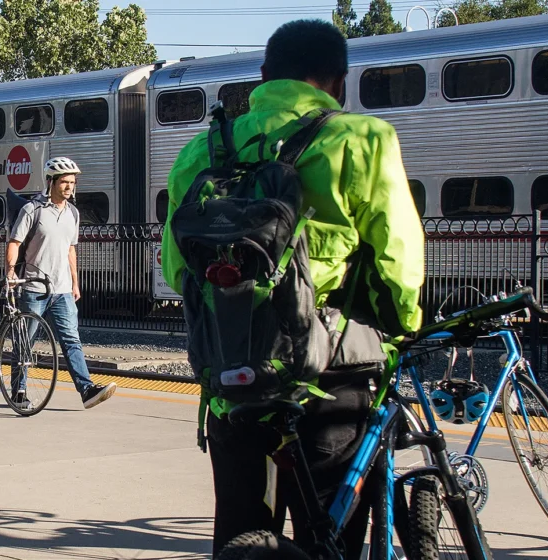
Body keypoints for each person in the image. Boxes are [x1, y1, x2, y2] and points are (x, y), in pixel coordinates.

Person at [159, 20, 425, 557]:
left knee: (240, 533)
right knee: (330, 534)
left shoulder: (201, 151)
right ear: (337, 81)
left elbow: (173, 267)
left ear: (263, 77)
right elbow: (400, 262)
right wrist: (407, 326)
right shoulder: (363, 139)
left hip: (231, 369)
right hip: (332, 368)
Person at [5, 157, 117, 410]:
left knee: (71, 340)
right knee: (25, 341)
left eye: (72, 182)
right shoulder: (33, 210)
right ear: (51, 182)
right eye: (64, 182)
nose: (69, 187)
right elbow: (15, 243)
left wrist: (76, 283)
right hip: (34, 288)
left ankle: (87, 390)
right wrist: (11, 272)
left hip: (63, 290)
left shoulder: (73, 213)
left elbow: (70, 250)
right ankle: (19, 390)